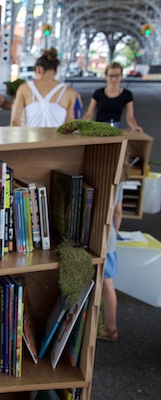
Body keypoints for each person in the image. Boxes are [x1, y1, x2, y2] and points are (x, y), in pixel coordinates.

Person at [10, 48, 75, 127]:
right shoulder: (69, 92)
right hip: (56, 139)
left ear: (38, 69)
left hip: (32, 139)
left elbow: (14, 121)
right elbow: (70, 124)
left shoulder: (24, 88)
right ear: (55, 71)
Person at [99, 158, 126, 342]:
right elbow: (118, 211)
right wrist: (115, 232)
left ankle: (110, 327)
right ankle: (108, 325)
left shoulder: (102, 174)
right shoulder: (120, 179)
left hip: (104, 238)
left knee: (107, 283)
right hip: (110, 237)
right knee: (106, 282)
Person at [83, 62, 143, 131]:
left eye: (117, 76)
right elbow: (89, 114)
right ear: (106, 76)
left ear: (121, 76)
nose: (114, 79)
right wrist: (83, 124)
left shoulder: (127, 94)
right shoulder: (98, 93)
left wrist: (134, 127)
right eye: (111, 76)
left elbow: (130, 117)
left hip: (116, 129)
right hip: (99, 128)